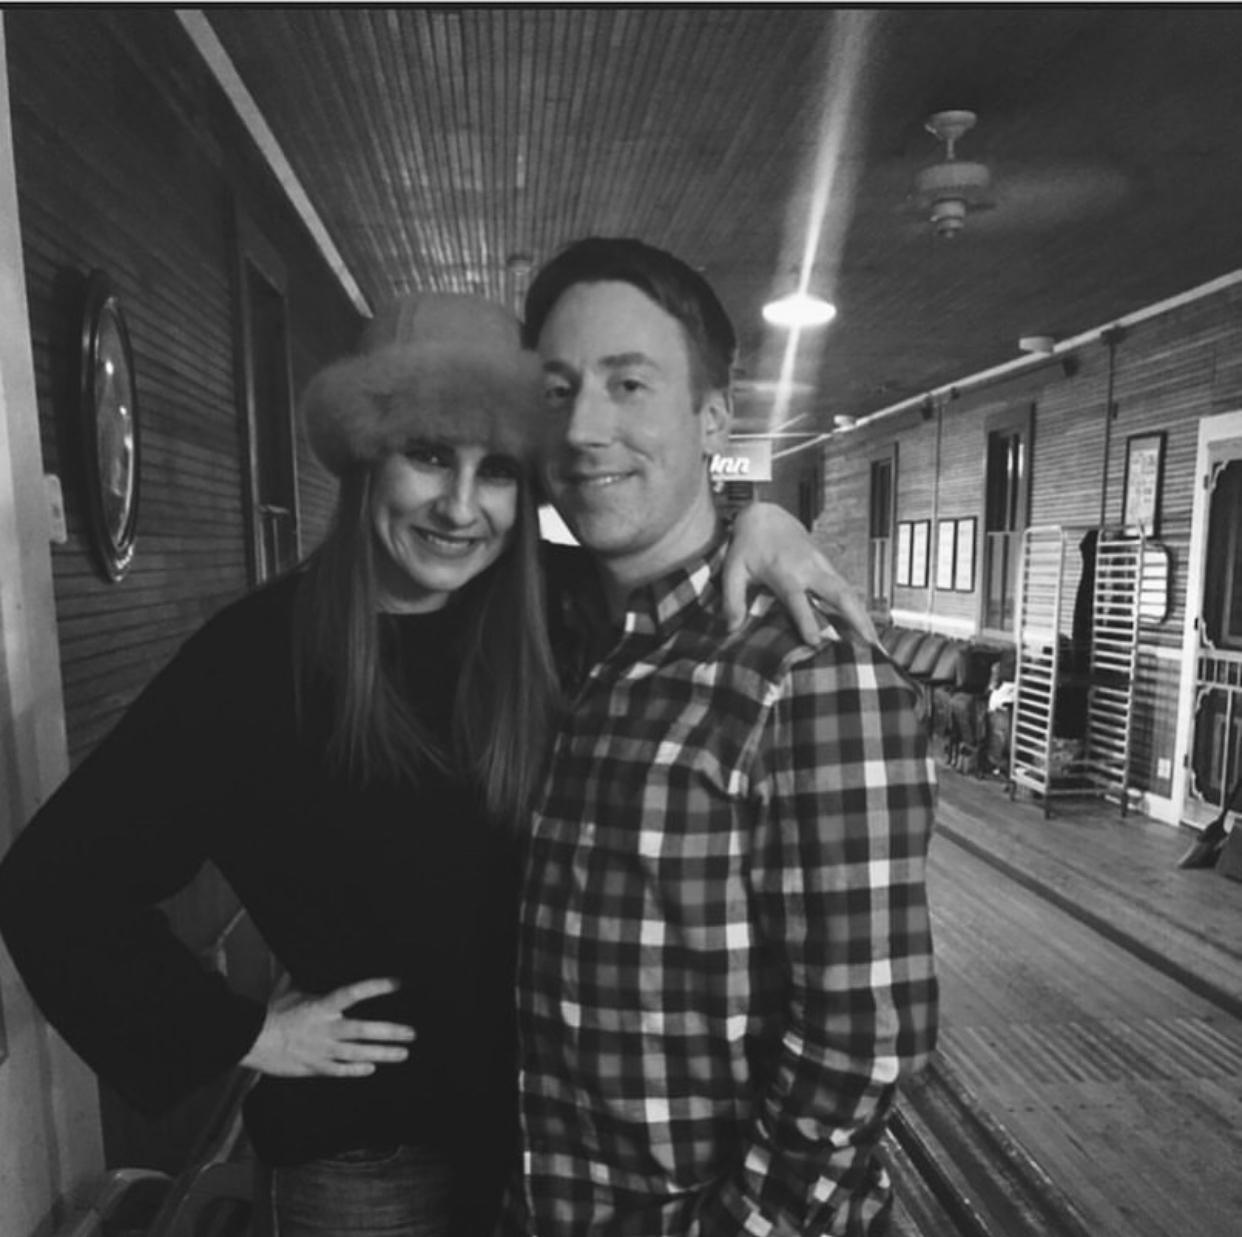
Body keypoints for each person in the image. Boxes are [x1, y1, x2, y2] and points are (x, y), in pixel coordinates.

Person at [0, 291, 869, 1237]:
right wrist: (245, 1031)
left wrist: (763, 524)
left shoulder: (560, 613)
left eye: (496, 470)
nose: (460, 507)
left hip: (562, 1149)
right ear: (365, 458)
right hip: (372, 1160)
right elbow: (54, 883)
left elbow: (682, 564)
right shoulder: (257, 661)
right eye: (427, 455)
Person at [511, 238, 939, 1236]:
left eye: (628, 384)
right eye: (559, 390)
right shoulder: (559, 636)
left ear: (713, 418)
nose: (583, 427)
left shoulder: (808, 673)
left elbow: (862, 1041)